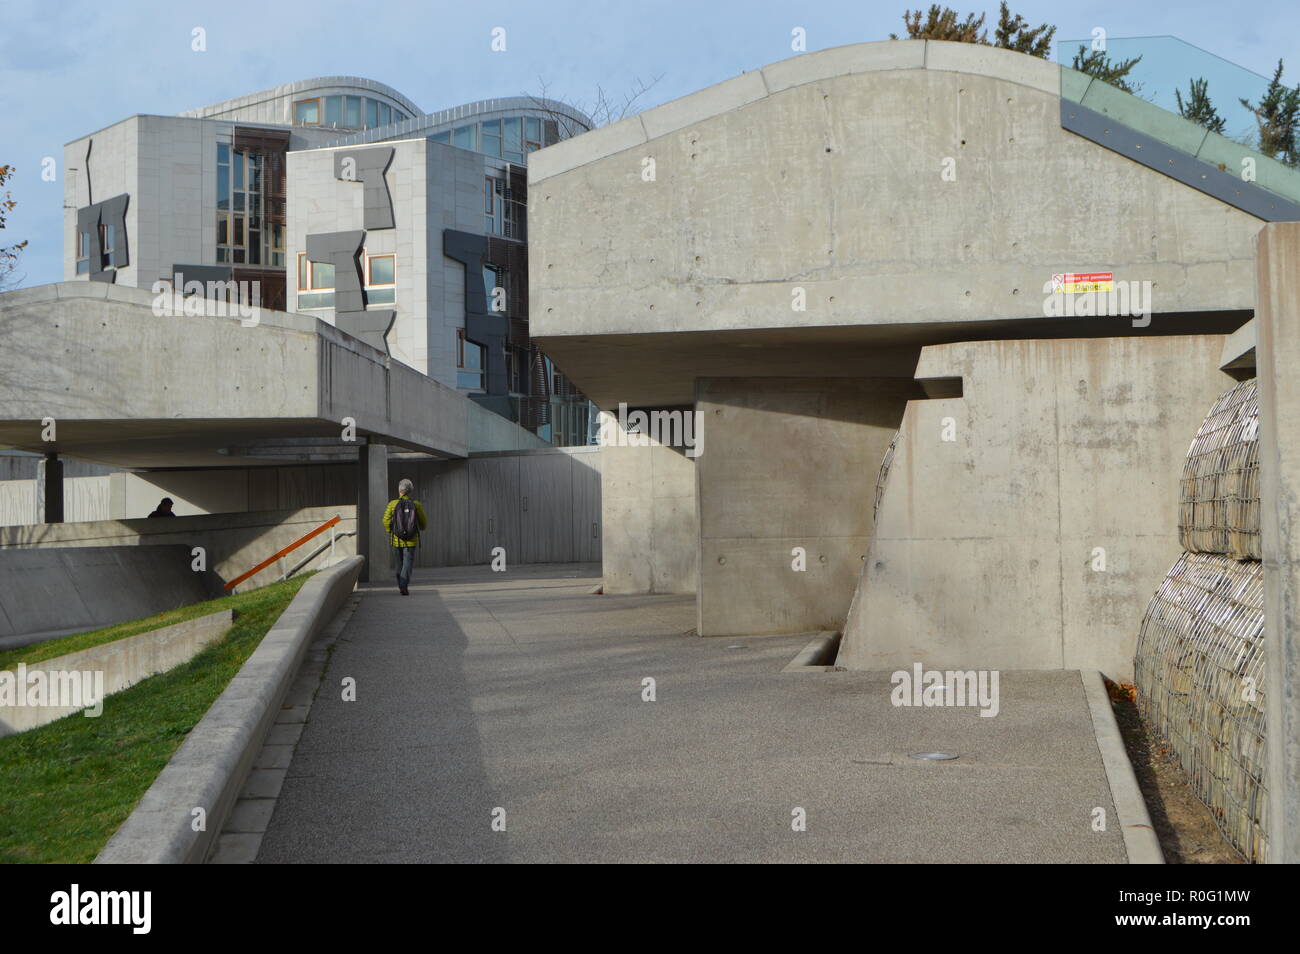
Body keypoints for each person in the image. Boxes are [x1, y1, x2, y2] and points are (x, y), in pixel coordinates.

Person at [382, 478, 427, 596]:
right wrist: (420, 528)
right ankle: (403, 585)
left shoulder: (392, 504)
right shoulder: (416, 505)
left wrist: (390, 531)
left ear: (399, 491)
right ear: (410, 491)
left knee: (399, 564)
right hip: (411, 541)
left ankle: (401, 585)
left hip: (396, 540)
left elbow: (385, 521)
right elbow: (423, 523)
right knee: (407, 564)